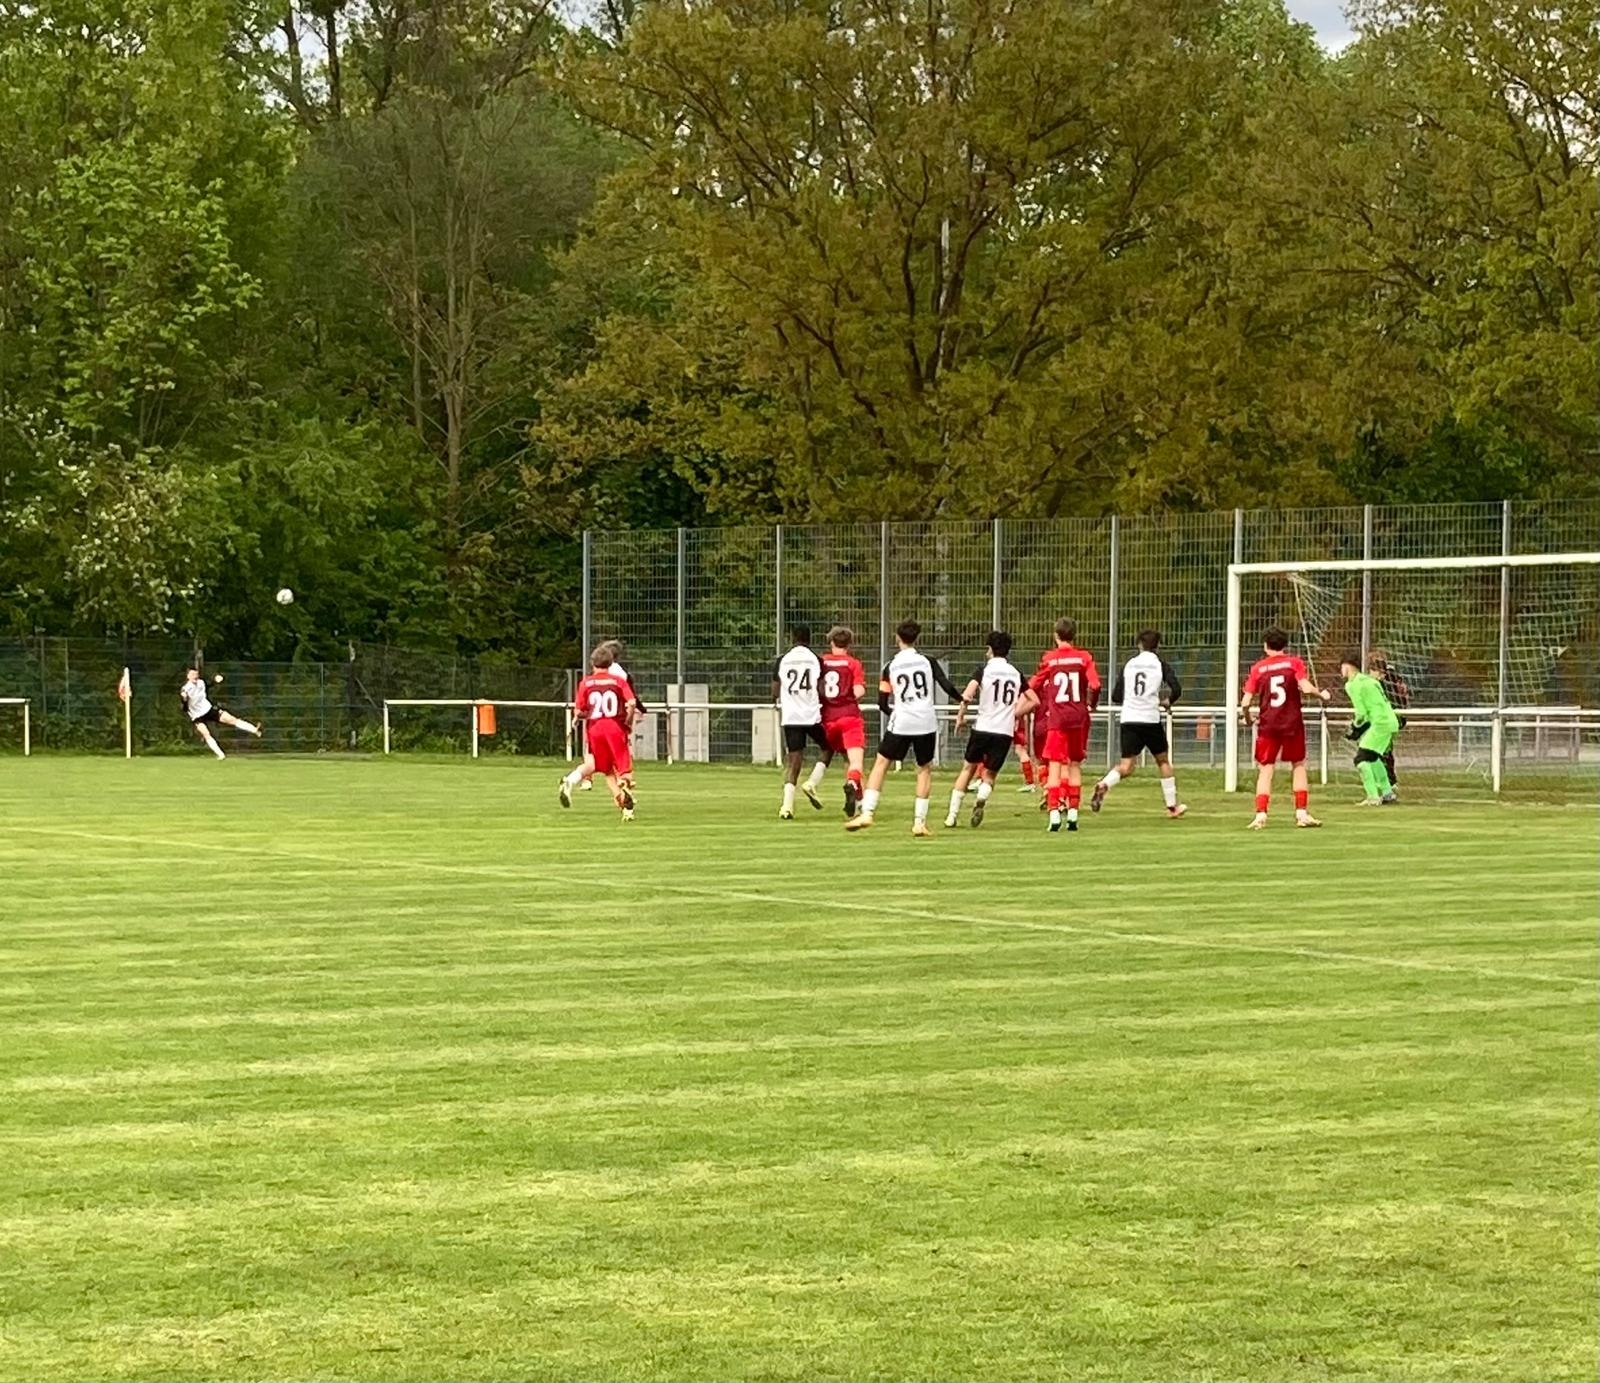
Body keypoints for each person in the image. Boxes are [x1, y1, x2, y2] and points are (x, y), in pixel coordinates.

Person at [844, 619, 963, 836]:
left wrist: (896, 714)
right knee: (924, 769)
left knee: (881, 763)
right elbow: (945, 685)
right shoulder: (928, 661)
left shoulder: (890, 666)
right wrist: (962, 699)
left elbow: (882, 702)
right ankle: (919, 822)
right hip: (926, 722)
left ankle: (867, 812)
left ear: (897, 638)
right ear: (917, 638)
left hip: (902, 721)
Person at [1240, 626, 1332, 829]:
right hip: (1292, 723)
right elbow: (1306, 688)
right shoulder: (1294, 663)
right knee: (1298, 765)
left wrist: (1247, 719)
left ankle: (1261, 815)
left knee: (1266, 769)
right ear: (1285, 645)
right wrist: (1322, 695)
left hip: (1268, 724)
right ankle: (1301, 814)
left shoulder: (1258, 668)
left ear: (1265, 646)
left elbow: (1245, 702)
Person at [1014, 617, 1101, 833]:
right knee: (1074, 764)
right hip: (1079, 717)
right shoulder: (1084, 658)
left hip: (1057, 718)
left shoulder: (1050, 659)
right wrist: (1091, 704)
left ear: (1055, 635)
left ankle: (1054, 813)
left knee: (1054, 764)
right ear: (1075, 635)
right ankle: (1073, 814)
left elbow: (1034, 683)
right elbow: (1095, 684)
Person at [1091, 629, 1186, 818]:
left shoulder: (1129, 664)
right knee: (1163, 761)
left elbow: (1116, 696)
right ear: (1158, 646)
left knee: (1126, 766)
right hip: (1150, 719)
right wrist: (1167, 701)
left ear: (1139, 645)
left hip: (1129, 719)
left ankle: (1105, 784)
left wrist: (1132, 699)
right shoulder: (1160, 665)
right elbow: (1176, 688)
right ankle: (1172, 807)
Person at [945, 631, 1024, 828]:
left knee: (968, 769)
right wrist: (1013, 713)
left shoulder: (983, 670)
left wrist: (960, 717)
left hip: (983, 727)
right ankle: (981, 797)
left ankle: (952, 816)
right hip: (1004, 731)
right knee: (989, 775)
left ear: (990, 649)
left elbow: (967, 695)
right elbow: (1034, 700)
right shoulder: (1016, 673)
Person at [559, 646, 639, 820]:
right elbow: (632, 703)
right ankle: (625, 785)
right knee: (623, 765)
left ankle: (623, 804)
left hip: (594, 729)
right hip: (614, 726)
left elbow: (579, 710)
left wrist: (578, 718)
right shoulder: (618, 681)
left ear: (592, 663)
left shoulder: (586, 683)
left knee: (605, 768)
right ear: (610, 663)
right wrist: (628, 719)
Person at [773, 624, 826, 819]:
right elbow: (821, 688)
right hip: (811, 715)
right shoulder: (816, 659)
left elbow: (775, 690)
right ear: (809, 638)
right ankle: (812, 782)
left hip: (791, 716)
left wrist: (779, 699)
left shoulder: (783, 660)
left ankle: (786, 807)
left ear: (792, 638)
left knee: (794, 761)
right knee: (828, 746)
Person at [816, 625, 868, 816]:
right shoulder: (853, 663)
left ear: (831, 642)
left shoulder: (821, 662)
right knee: (856, 763)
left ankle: (859, 802)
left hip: (828, 720)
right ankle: (853, 785)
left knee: (847, 758)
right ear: (849, 644)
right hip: (849, 717)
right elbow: (858, 691)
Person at [1342, 653, 1401, 806]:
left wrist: (1355, 727)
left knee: (1361, 759)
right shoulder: (1369, 680)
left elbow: (1361, 713)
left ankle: (1372, 797)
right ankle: (1387, 793)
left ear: (1347, 666)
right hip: (1390, 721)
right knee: (1373, 757)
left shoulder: (1353, 684)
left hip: (1380, 723)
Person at [179, 669, 263, 759]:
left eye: (196, 674)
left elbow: (210, 683)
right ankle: (220, 755)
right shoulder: (185, 689)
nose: (195, 676)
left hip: (208, 709)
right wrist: (184, 700)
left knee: (232, 719)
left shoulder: (201, 682)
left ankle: (255, 730)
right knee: (206, 734)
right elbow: (185, 708)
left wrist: (215, 680)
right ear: (188, 676)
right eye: (192, 674)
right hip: (197, 715)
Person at [1369, 650, 1409, 795]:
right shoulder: (1392, 679)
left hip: (1388, 719)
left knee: (1381, 750)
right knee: (1383, 749)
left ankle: (1388, 782)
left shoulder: (1385, 682)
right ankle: (1387, 781)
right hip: (1391, 718)